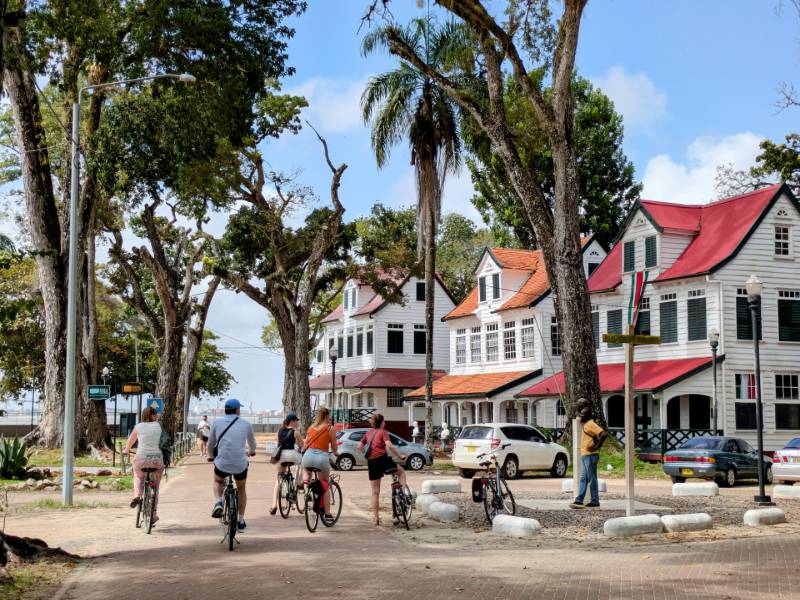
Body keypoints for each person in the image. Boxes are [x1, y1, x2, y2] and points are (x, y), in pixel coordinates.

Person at [208, 399, 257, 531]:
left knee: (217, 481)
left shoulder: (216, 423)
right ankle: (241, 521)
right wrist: (251, 452)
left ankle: (218, 501)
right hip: (240, 464)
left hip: (222, 463)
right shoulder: (246, 424)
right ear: (237, 410)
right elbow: (252, 444)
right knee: (241, 489)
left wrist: (210, 456)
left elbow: (210, 443)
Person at [357, 413, 409, 526]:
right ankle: (403, 495)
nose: (384, 423)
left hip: (372, 462)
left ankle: (376, 518)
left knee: (375, 493)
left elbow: (359, 447)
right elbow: (389, 445)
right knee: (401, 472)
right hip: (383, 460)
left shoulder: (368, 433)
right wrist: (400, 456)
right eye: (384, 421)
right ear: (381, 423)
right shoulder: (383, 432)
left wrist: (367, 455)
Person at [123, 406, 166, 526]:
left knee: (138, 476)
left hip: (141, 459)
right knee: (156, 487)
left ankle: (137, 496)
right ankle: (153, 515)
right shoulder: (158, 426)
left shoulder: (138, 426)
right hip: (157, 460)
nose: (157, 416)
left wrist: (126, 450)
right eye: (155, 414)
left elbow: (131, 441)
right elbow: (165, 441)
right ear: (153, 415)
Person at [301, 407, 338, 524]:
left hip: (308, 456)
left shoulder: (311, 428)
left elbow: (305, 444)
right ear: (327, 416)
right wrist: (337, 454)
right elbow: (335, 449)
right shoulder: (330, 428)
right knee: (325, 484)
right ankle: (327, 514)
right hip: (321, 458)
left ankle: (307, 489)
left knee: (306, 471)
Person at [570, 398, 607, 509]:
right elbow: (577, 413)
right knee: (583, 478)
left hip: (590, 456)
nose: (580, 417)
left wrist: (596, 446)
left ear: (587, 416)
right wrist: (579, 407)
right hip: (585, 455)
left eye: (582, 415)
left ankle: (594, 501)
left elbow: (604, 434)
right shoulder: (586, 423)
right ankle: (579, 500)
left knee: (592, 479)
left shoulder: (590, 424)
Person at [269, 413, 304, 515]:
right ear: (292, 421)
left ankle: (274, 505)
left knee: (278, 479)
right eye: (296, 421)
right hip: (291, 455)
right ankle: (298, 482)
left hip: (281, 456)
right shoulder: (295, 432)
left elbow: (278, 445)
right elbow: (302, 445)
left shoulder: (279, 431)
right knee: (303, 463)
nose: (297, 423)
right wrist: (301, 449)